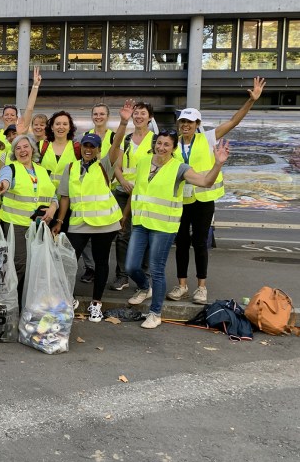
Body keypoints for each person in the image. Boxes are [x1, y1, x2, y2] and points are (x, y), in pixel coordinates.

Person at [168, 76, 266, 305]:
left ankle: (201, 287)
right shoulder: (173, 143)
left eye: (190, 122)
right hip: (180, 201)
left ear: (197, 124)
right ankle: (182, 285)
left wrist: (251, 101)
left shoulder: (208, 138)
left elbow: (233, 122)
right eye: (182, 122)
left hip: (203, 200)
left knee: (200, 243)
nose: (185, 125)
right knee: (181, 243)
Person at [122, 131, 231, 329]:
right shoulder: (144, 162)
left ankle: (155, 313)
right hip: (140, 223)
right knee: (130, 266)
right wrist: (126, 214)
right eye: (159, 143)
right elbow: (137, 189)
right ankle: (145, 287)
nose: (161, 147)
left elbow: (205, 182)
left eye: (167, 145)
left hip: (163, 227)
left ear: (173, 149)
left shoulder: (179, 168)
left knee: (157, 269)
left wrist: (218, 163)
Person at [52, 100, 134, 322]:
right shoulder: (71, 167)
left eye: (92, 147)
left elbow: (116, 145)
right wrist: (60, 221)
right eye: (85, 146)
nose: (88, 150)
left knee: (100, 263)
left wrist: (124, 122)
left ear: (98, 149)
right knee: (69, 260)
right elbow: (66, 197)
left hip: (104, 225)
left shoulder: (104, 165)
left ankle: (96, 303)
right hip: (79, 224)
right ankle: (69, 298)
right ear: (82, 148)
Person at [0, 135, 58, 304]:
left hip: (39, 227)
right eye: (18, 148)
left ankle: (28, 303)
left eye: (26, 147)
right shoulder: (10, 168)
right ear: (14, 152)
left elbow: (53, 196)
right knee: (19, 265)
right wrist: (3, 186)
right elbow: (5, 181)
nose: (23, 150)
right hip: (16, 225)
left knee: (36, 266)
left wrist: (53, 208)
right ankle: (11, 302)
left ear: (32, 149)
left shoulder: (43, 171)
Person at [110, 101, 155, 291]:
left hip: (145, 194)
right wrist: (122, 182)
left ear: (150, 118)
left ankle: (143, 275)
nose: (138, 116)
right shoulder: (127, 140)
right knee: (122, 234)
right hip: (123, 191)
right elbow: (116, 165)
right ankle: (122, 275)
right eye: (136, 113)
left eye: (143, 113)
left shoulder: (155, 141)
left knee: (145, 234)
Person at [78, 102, 117, 284]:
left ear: (107, 116)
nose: (98, 116)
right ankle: (90, 268)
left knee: (104, 236)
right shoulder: (85, 136)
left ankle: (111, 271)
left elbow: (114, 163)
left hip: (108, 190)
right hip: (86, 191)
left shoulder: (114, 137)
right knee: (83, 234)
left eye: (102, 113)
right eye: (95, 113)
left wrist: (121, 181)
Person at [0, 67, 43, 144]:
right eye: (6, 115)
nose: (9, 117)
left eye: (12, 115)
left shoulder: (21, 130)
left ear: (17, 118)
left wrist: (35, 86)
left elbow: (29, 109)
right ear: (2, 117)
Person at [40, 110, 80, 195]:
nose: (61, 127)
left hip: (68, 199)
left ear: (70, 128)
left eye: (65, 124)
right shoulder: (41, 146)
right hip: (44, 198)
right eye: (57, 124)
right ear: (52, 127)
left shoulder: (77, 148)